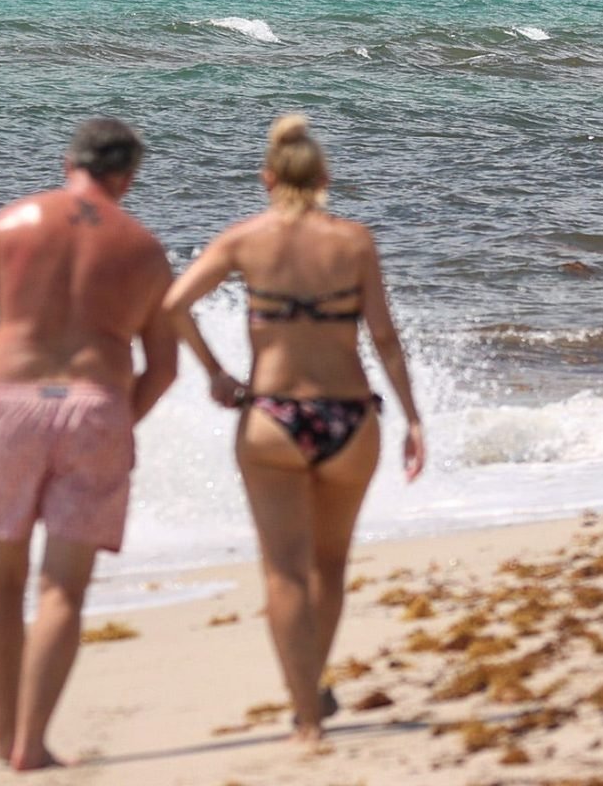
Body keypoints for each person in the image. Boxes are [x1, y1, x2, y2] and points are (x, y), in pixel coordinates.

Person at [163, 113, 426, 751]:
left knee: (283, 573)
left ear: (268, 178)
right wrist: (414, 417)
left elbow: (171, 304)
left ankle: (306, 718)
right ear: (326, 178)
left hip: (272, 419)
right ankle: (313, 681)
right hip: (348, 417)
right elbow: (385, 340)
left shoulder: (243, 240)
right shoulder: (355, 242)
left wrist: (216, 374)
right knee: (329, 565)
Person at [0, 117, 179, 772]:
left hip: (10, 408)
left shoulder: (9, 224)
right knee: (62, 591)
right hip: (95, 409)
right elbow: (164, 367)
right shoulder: (145, 249)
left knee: (1, 582)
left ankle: (0, 728)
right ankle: (32, 744)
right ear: (128, 177)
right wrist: (118, 420)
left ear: (67, 160)